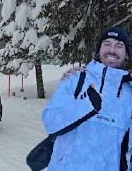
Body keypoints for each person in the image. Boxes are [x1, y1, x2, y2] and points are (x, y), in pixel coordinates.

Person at [42, 27, 132, 170]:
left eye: (119, 46)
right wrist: (86, 104)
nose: (112, 50)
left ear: (126, 55)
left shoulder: (129, 95)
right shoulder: (75, 79)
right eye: (107, 44)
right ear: (98, 50)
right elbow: (50, 122)